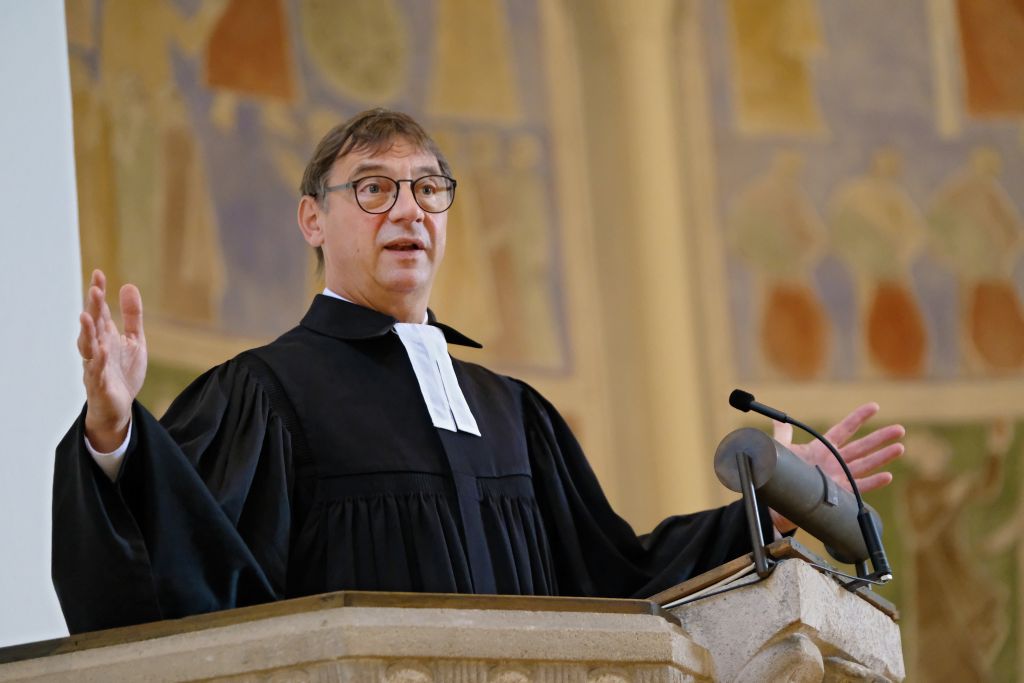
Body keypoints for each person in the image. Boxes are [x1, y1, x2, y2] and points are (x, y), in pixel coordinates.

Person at [54, 109, 904, 634]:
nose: (409, 210)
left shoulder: (513, 411)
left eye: (428, 188)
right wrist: (115, 431)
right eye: (374, 189)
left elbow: (615, 573)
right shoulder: (268, 394)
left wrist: (780, 502)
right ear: (313, 218)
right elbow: (194, 567)